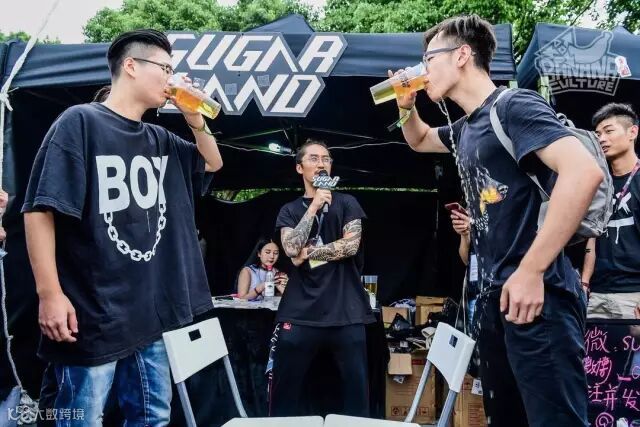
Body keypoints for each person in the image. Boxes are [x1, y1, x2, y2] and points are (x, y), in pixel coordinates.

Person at [393, 15, 603, 426]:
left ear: (461, 55)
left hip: (538, 298)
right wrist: (406, 107)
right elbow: (419, 140)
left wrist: (532, 270)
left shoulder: (514, 106)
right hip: (496, 301)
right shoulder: (466, 127)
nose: (422, 70)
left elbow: (583, 172)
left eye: (428, 59)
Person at [22, 29, 223, 426]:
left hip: (151, 313)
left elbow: (212, 162)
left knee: (153, 417)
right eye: (165, 68)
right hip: (93, 312)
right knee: (82, 418)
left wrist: (194, 117)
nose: (170, 78)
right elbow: (40, 210)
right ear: (131, 66)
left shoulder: (160, 138)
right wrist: (49, 294)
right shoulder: (80, 121)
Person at [268, 138, 374, 417]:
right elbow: (290, 249)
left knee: (356, 394)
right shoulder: (290, 210)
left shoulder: (348, 203)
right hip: (300, 314)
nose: (321, 163)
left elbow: (351, 246)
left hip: (346, 312)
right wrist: (313, 206)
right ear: (299, 168)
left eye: (326, 159)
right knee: (285, 393)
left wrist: (309, 254)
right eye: (313, 158)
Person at [583, 103, 640, 318]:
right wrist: (584, 282)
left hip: (634, 293)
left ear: (632, 132)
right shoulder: (598, 182)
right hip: (597, 293)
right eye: (597, 134)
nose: (601, 139)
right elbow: (591, 234)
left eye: (609, 131)